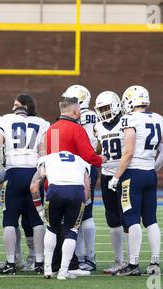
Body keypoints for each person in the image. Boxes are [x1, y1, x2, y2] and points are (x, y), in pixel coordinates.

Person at [109, 85, 163, 276]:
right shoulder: (158, 118)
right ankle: (155, 262)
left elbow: (128, 152)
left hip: (132, 175)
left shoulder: (129, 119)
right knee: (151, 220)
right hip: (149, 173)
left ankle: (133, 264)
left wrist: (116, 176)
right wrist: (153, 168)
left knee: (132, 219)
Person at [46, 94, 106, 275]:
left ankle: (52, 266)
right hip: (73, 182)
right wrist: (101, 159)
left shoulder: (53, 129)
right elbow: (88, 156)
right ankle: (70, 265)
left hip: (54, 180)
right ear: (74, 111)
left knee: (53, 226)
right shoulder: (76, 129)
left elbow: (52, 156)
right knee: (72, 225)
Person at [0, 94, 49, 275]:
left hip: (13, 172)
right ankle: (40, 263)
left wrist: (3, 163)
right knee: (37, 220)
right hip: (34, 173)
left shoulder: (4, 120)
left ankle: (11, 263)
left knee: (9, 220)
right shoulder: (43, 123)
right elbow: (47, 152)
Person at [30, 151, 91, 280]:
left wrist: (40, 209)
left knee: (51, 228)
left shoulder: (47, 160)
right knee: (72, 230)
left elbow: (34, 187)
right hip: (76, 192)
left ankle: (47, 269)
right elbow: (87, 189)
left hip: (55, 191)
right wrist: (81, 205)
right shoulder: (80, 160)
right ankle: (63, 272)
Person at [61, 85, 99, 271]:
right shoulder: (94, 115)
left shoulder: (78, 117)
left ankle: (84, 257)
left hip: (79, 166)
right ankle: (85, 257)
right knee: (83, 213)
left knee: (80, 213)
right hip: (86, 164)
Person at [93, 91, 127, 273]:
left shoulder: (126, 122)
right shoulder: (98, 126)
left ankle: (131, 261)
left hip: (125, 174)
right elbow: (99, 148)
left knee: (128, 218)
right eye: (101, 109)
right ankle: (119, 260)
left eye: (107, 108)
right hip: (106, 175)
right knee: (112, 219)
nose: (104, 112)